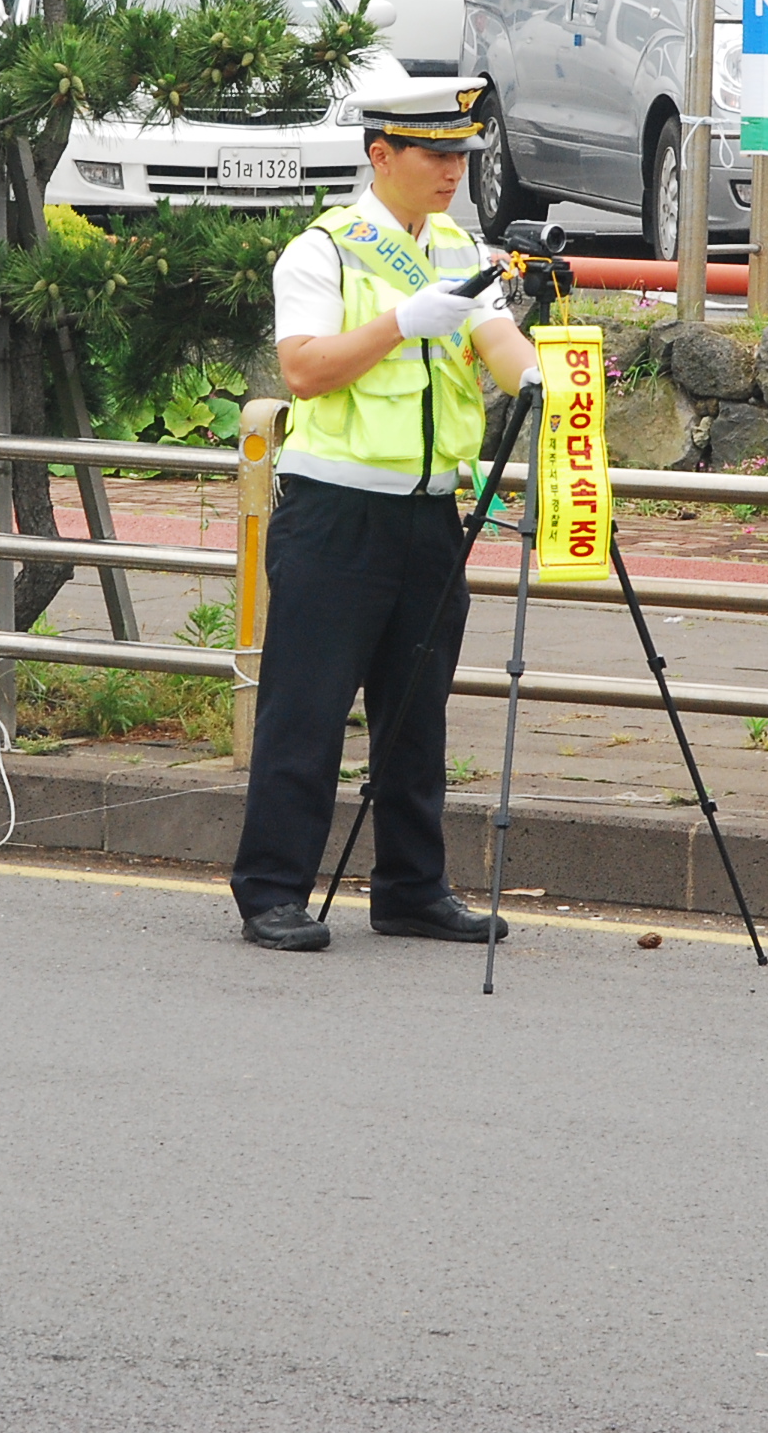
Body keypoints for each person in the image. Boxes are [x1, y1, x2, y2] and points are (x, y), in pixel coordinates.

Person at [231, 82, 540, 952]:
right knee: (308, 708)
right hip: (337, 515)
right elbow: (304, 371)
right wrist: (403, 321)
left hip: (431, 514)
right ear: (381, 157)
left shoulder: (455, 243)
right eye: (434, 155)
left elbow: (492, 337)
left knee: (417, 713)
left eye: (461, 157)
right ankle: (272, 890)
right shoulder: (322, 251)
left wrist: (538, 379)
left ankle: (412, 888)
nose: (452, 172)